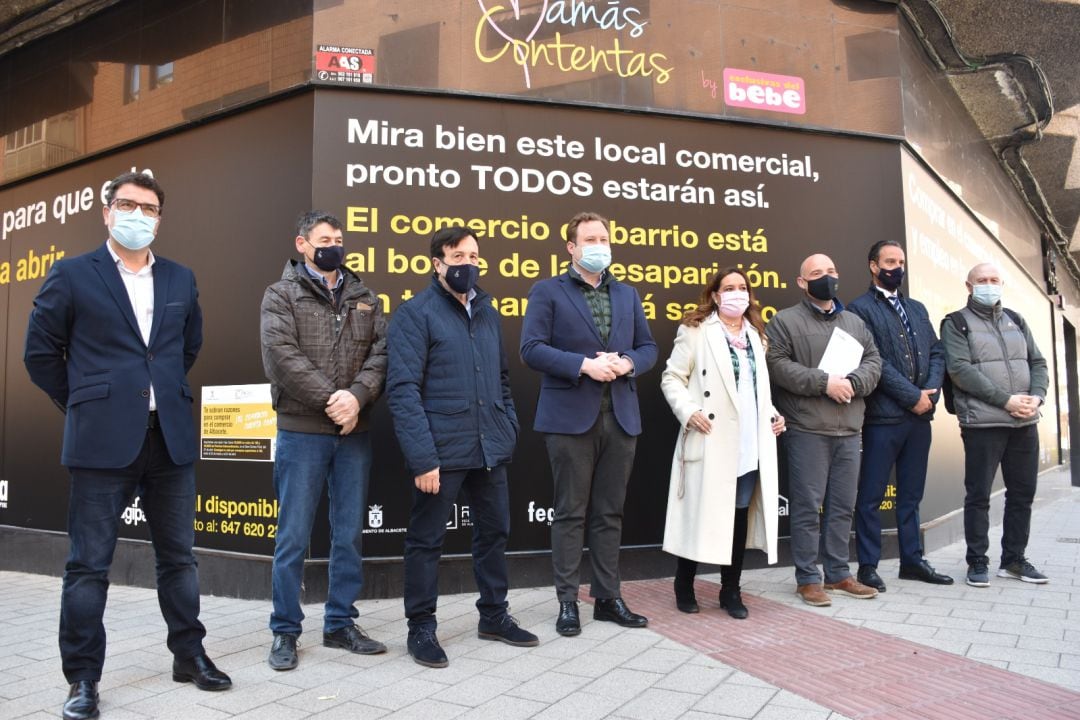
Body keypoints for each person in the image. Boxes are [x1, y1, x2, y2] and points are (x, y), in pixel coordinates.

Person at [24, 172, 231, 720]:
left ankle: (189, 655)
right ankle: (83, 679)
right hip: (100, 443)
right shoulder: (72, 274)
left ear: (160, 218)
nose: (138, 214)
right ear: (107, 211)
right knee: (89, 566)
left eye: (149, 207)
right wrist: (86, 403)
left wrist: (154, 393)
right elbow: (39, 354)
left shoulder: (182, 279)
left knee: (179, 560)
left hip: (170, 440)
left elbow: (187, 347)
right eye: (127, 204)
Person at [387, 226, 538, 668]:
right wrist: (423, 456)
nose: (467, 263)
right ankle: (421, 627)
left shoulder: (488, 312)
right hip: (440, 450)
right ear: (437, 263)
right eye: (457, 256)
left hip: (490, 445)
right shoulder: (415, 313)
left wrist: (507, 426)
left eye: (473, 255)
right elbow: (402, 390)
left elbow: (504, 380)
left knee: (494, 532)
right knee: (426, 539)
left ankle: (493, 616)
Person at [259, 211, 388, 671]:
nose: (333, 245)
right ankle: (284, 632)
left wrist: (356, 398)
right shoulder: (280, 295)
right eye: (324, 239)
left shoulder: (364, 296)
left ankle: (339, 624)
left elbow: (381, 353)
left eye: (338, 238)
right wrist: (333, 399)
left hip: (354, 433)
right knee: (293, 536)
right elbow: (281, 357)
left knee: (348, 534)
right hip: (302, 432)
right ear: (302, 244)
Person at [520, 211, 658, 636]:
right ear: (572, 248)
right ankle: (567, 602)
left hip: (621, 415)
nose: (600, 245)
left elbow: (649, 347)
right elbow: (531, 349)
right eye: (590, 239)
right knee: (570, 512)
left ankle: (607, 597)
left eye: (604, 238)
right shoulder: (548, 291)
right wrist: (582, 365)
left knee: (609, 512)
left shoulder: (627, 293)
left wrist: (628, 363)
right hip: (569, 418)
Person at [660, 268, 785, 619]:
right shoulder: (696, 330)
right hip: (711, 436)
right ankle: (683, 583)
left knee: (738, 514)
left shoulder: (757, 336)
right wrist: (689, 411)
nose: (736, 294)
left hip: (748, 441)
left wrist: (772, 414)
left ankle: (731, 589)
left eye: (742, 287)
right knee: (702, 512)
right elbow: (672, 377)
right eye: (728, 288)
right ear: (715, 295)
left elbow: (754, 390)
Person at [765, 253, 882, 607]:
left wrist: (852, 382)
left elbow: (874, 361)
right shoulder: (784, 322)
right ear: (802, 282)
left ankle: (838, 573)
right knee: (806, 506)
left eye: (831, 271)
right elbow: (777, 365)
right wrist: (824, 382)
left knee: (843, 506)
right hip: (807, 427)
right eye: (816, 273)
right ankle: (807, 578)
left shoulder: (855, 322)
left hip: (849, 427)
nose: (825, 278)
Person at [848, 241, 952, 591]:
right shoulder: (858, 309)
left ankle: (912, 560)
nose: (896, 267)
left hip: (920, 418)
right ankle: (868, 566)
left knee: (911, 495)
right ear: (873, 266)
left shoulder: (917, 308)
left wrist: (930, 394)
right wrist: (912, 397)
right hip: (883, 418)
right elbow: (873, 360)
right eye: (889, 261)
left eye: (901, 261)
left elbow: (937, 352)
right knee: (871, 496)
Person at [941, 262, 1049, 587]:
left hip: (1025, 422)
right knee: (979, 495)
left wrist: (1038, 397)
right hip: (983, 424)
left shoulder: (1016, 320)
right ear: (969, 285)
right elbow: (959, 370)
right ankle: (977, 562)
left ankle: (1014, 560)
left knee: (1022, 494)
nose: (989, 285)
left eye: (994, 280)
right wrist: (1006, 400)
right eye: (982, 280)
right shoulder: (956, 323)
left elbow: (1038, 362)